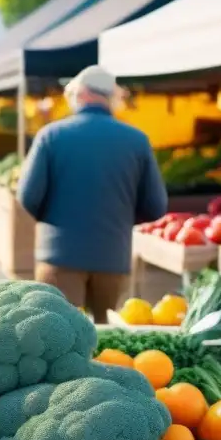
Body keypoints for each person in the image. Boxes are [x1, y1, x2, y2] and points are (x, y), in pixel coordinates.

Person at [17, 65, 167, 323]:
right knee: (106, 339)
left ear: (83, 93)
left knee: (57, 335)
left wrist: (55, 220)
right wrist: (118, 221)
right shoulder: (137, 140)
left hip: (59, 255)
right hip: (113, 257)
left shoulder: (51, 136)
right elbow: (155, 206)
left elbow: (28, 196)